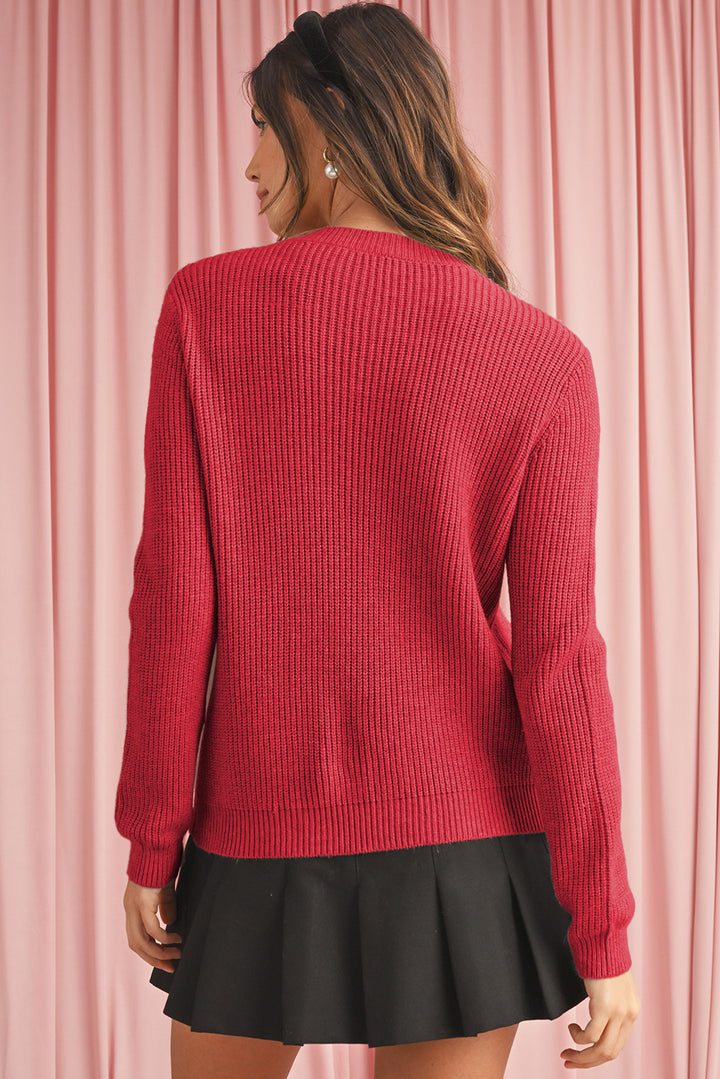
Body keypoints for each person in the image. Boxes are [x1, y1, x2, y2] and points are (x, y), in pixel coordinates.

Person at [116, 5, 640, 1078]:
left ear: (326, 123)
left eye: (263, 126)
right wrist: (604, 928)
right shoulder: (542, 356)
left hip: (258, 834)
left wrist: (153, 835)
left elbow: (174, 600)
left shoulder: (206, 309)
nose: (250, 162)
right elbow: (561, 664)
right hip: (464, 844)